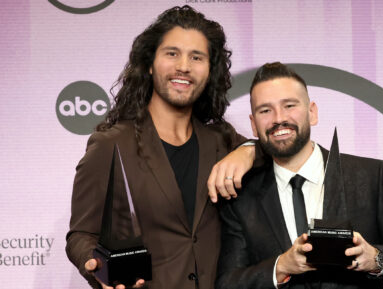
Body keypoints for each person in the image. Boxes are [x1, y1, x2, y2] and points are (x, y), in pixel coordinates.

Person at [66, 6, 259, 289]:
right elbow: (81, 234)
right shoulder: (111, 144)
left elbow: (273, 151)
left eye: (197, 57)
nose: (184, 66)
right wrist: (95, 266)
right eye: (172, 53)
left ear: (209, 70)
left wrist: (249, 150)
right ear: (149, 63)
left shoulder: (221, 140)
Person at [215, 62, 383, 289]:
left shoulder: (370, 176)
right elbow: (228, 283)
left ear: (312, 112)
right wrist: (281, 266)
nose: (278, 118)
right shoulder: (242, 196)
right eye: (265, 110)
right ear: (254, 125)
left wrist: (373, 258)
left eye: (289, 105)